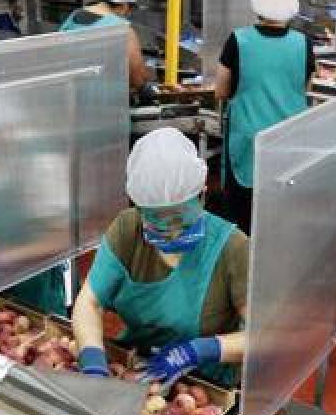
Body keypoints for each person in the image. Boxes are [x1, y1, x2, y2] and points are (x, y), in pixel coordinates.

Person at [73, 127, 248, 387]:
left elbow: (262, 335)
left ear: (201, 195)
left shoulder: (233, 248)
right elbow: (90, 302)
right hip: (137, 367)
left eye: (181, 218)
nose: (172, 231)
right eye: (157, 220)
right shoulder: (127, 230)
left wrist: (199, 350)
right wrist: (94, 363)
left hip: (205, 381)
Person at [214, 0, 315, 233]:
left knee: (241, 219)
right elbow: (304, 89)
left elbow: (221, 90)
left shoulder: (238, 41)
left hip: (247, 141)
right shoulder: (303, 44)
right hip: (288, 140)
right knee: (278, 218)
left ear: (257, 8)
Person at [61, 0, 150, 91]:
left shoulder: (74, 16)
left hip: (71, 94)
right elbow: (138, 79)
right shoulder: (123, 30)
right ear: (124, 5)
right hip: (107, 99)